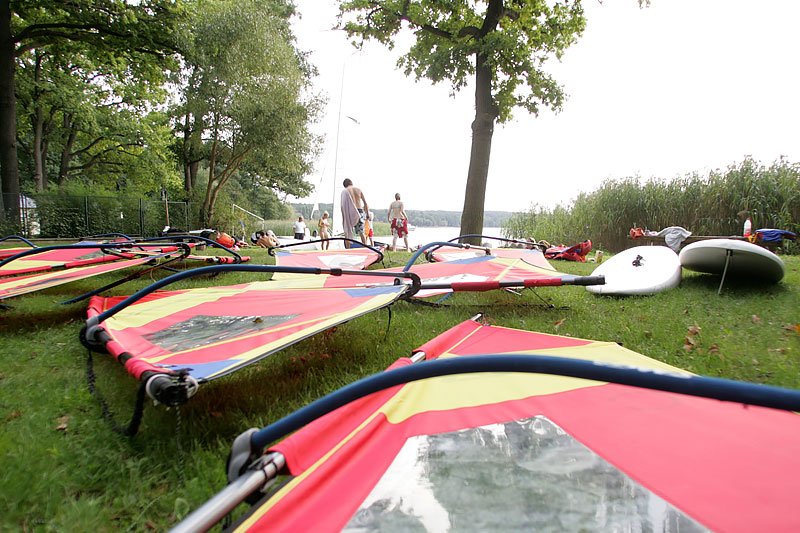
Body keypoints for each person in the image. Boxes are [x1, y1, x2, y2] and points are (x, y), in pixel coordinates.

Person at [340, 178, 369, 248]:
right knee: (361, 232)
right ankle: (365, 248)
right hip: (360, 211)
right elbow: (365, 203)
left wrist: (344, 216)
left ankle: (348, 249)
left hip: (350, 212)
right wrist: (367, 213)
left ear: (345, 185)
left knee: (348, 231)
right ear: (351, 183)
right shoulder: (358, 190)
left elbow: (342, 205)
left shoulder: (345, 191)